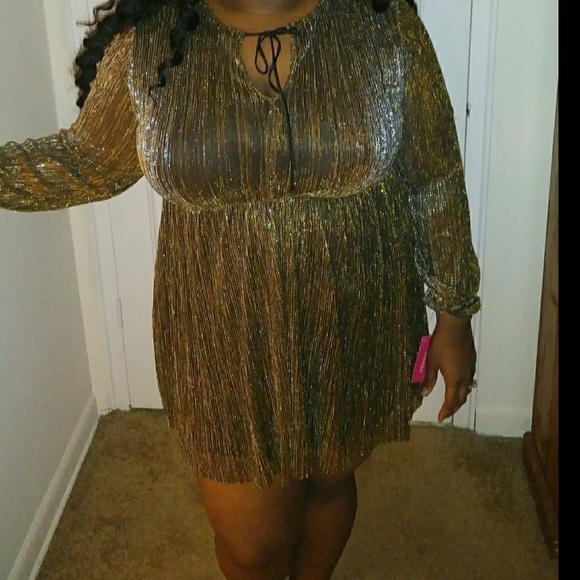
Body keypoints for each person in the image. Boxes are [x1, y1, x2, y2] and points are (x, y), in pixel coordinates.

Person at [1, 0, 481, 577]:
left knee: (331, 482)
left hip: (357, 311)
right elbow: (86, 161)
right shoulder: (151, 39)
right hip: (221, 330)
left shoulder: (381, 22)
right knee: (251, 545)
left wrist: (455, 313)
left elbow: (435, 173)